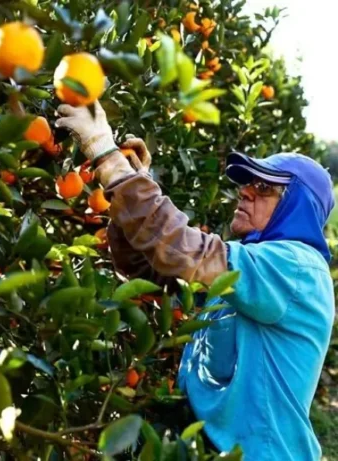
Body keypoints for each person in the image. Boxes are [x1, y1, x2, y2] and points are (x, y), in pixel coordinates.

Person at [56, 102, 335, 460]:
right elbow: (149, 267)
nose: (245, 192)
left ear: (297, 206)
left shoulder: (294, 268)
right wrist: (133, 183)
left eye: (264, 188)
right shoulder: (250, 271)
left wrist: (106, 153)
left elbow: (177, 247)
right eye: (247, 184)